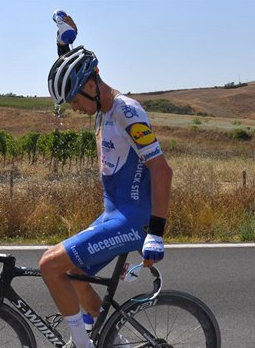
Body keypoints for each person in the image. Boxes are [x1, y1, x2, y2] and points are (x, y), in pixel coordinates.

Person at [39, 43, 173, 346]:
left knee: (49, 265)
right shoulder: (100, 105)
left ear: (90, 85)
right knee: (70, 271)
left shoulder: (127, 111)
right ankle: (111, 339)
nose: (74, 107)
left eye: (74, 99)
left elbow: (162, 171)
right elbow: (76, 67)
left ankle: (83, 344)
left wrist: (156, 232)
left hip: (132, 219)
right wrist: (63, 45)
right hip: (113, 213)